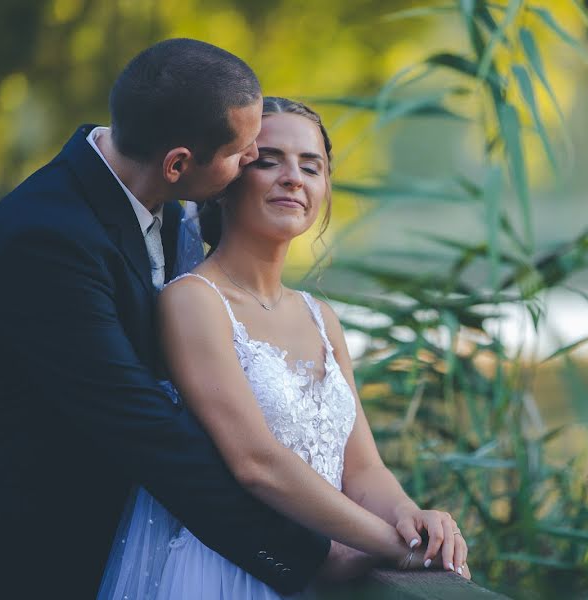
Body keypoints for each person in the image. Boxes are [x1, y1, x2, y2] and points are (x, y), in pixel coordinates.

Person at [0, 40, 333, 598]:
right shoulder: (46, 239)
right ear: (178, 163)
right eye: (245, 152)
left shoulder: (171, 206)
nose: (253, 161)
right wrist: (304, 553)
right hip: (47, 552)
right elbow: (142, 424)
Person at [99, 97, 471, 599]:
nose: (293, 177)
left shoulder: (323, 318)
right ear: (227, 179)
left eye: (310, 166)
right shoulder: (193, 302)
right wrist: (387, 544)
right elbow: (256, 463)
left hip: (317, 573)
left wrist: (408, 516)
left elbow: (362, 469)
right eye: (268, 161)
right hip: (225, 573)